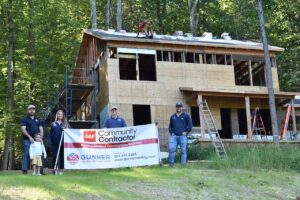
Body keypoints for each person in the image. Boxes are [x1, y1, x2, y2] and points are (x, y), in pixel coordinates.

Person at [20, 104, 44, 174]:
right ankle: (24, 171)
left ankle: (40, 171)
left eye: (33, 109)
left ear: (35, 110)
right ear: (28, 110)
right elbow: (23, 129)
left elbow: (41, 129)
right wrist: (30, 137)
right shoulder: (24, 119)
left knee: (40, 154)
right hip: (27, 139)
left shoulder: (37, 119)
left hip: (37, 140)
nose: (32, 110)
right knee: (26, 154)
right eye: (30, 109)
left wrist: (41, 138)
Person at [168, 102, 193, 166]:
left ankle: (183, 165)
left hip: (182, 136)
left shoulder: (186, 115)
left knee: (183, 151)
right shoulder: (172, 116)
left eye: (180, 106)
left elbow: (190, 125)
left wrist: (186, 132)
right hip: (174, 136)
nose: (178, 108)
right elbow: (170, 126)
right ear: (176, 108)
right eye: (177, 107)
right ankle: (171, 165)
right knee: (171, 150)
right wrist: (172, 133)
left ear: (182, 107)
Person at [50, 110, 70, 175]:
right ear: (57, 115)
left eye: (61, 114)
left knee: (62, 157)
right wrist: (50, 143)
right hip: (54, 143)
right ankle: (54, 170)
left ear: (63, 115)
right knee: (55, 156)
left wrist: (66, 129)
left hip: (63, 143)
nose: (60, 115)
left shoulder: (65, 124)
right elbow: (51, 134)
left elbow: (69, 133)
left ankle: (61, 170)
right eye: (59, 114)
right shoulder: (53, 124)